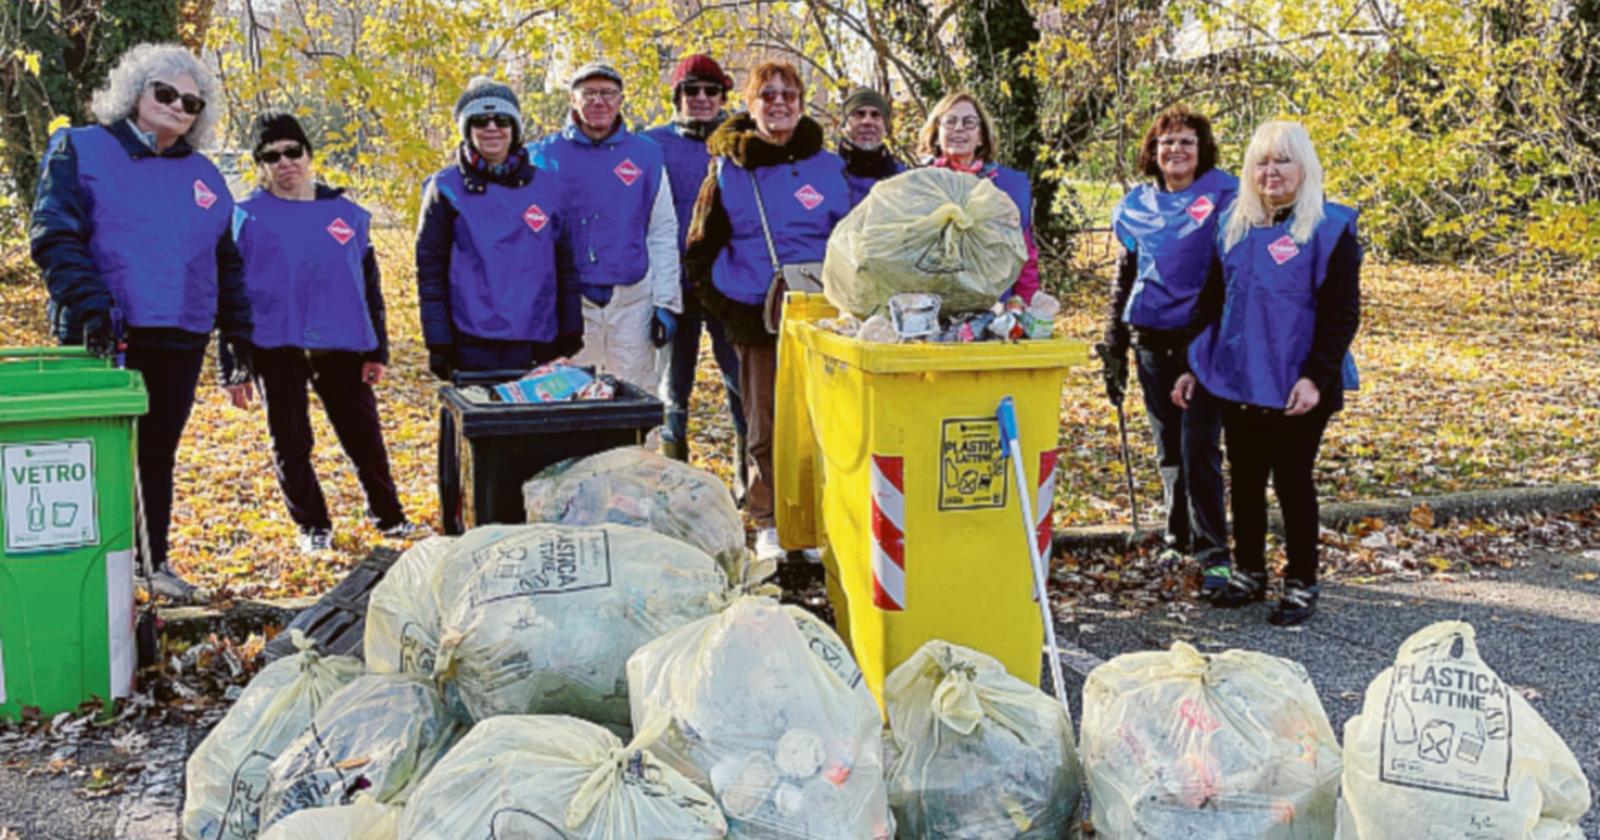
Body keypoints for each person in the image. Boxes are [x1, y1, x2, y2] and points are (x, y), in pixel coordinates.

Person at [30, 43, 252, 602]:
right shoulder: (79, 148)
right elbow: (54, 234)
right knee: (99, 450)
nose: (178, 107)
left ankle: (152, 563)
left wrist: (236, 339)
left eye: (192, 103)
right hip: (104, 329)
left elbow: (225, 261)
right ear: (136, 90)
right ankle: (90, 576)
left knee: (157, 452)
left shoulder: (205, 176)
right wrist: (89, 304)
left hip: (180, 331)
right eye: (166, 93)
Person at [1172, 120, 1361, 626]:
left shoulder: (1330, 228)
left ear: (1304, 168)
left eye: (1283, 160)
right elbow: (1213, 300)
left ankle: (1301, 580)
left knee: (1292, 479)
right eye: (1262, 161)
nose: (1271, 171)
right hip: (1240, 374)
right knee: (1247, 478)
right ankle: (1250, 572)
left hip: (1298, 379)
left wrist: (1315, 378)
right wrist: (1197, 366)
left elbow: (1342, 315)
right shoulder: (1233, 225)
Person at [230, 112, 426, 555]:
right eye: (271, 156)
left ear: (308, 155)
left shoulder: (347, 215)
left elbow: (369, 285)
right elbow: (231, 295)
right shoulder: (245, 218)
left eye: (292, 151)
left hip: (340, 342)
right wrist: (235, 363)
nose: (285, 163)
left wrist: (377, 349)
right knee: (290, 440)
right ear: (261, 165)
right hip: (275, 342)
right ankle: (312, 524)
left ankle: (389, 516)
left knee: (363, 436)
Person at [686, 61, 851, 562]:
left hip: (824, 314)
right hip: (759, 316)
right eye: (768, 95)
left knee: (824, 421)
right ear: (751, 104)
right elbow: (699, 249)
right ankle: (769, 521)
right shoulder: (728, 170)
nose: (779, 103)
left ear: (802, 103)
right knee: (764, 423)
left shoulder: (828, 166)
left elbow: (851, 241)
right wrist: (730, 308)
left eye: (789, 94)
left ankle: (818, 518)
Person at [1101, 105, 1237, 587]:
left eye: (1186, 142)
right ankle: (1176, 537)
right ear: (1152, 152)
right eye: (1166, 142)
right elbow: (1126, 274)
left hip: (1203, 337)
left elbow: (1235, 269)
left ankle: (1214, 551)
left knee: (1199, 443)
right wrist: (1113, 343)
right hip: (1151, 339)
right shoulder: (1136, 204)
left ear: (1202, 151)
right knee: (1169, 448)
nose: (1175, 150)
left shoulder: (1226, 195)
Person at [416, 76, 576, 377]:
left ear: (514, 128)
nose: (491, 129)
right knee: (478, 423)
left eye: (501, 120)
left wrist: (570, 328)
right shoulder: (445, 188)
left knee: (532, 423)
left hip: (537, 338)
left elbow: (565, 265)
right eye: (480, 121)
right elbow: (430, 271)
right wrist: (438, 341)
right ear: (467, 130)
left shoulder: (547, 186)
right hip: (471, 341)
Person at [535, 62, 680, 393]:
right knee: (572, 395)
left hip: (632, 301)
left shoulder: (646, 155)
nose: (598, 101)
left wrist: (667, 302)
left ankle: (642, 447)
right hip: (571, 303)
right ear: (572, 100)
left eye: (607, 93)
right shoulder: (543, 156)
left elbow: (661, 231)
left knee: (635, 395)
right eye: (589, 94)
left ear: (620, 100)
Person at [642, 54, 748, 493]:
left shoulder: (742, 141)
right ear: (677, 97)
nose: (701, 99)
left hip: (729, 285)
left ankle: (751, 480)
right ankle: (673, 485)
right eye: (691, 90)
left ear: (723, 95)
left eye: (710, 91)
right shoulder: (650, 146)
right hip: (672, 287)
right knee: (673, 391)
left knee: (742, 385)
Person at [917, 91, 1039, 302]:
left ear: (981, 136)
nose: (959, 128)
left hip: (994, 310)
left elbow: (1024, 255)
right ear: (936, 133)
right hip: (929, 308)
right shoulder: (917, 185)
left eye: (969, 122)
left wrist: (1027, 305)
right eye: (950, 122)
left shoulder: (1008, 187)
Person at [838, 86, 903, 205]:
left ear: (885, 128)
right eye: (859, 114)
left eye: (875, 115)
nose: (867, 122)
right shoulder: (828, 174)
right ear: (845, 126)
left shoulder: (902, 179)